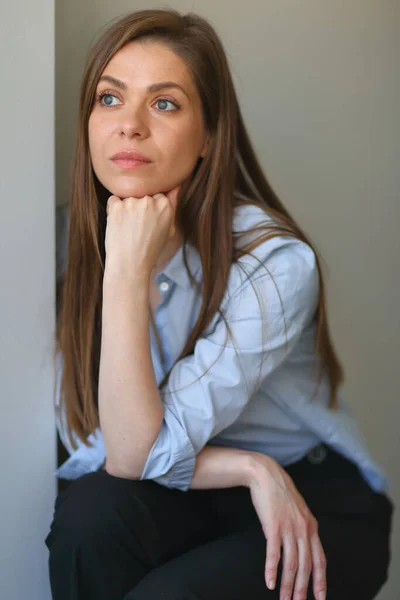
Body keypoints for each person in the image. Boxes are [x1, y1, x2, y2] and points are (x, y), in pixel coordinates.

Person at [45, 8, 394, 600]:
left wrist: (126, 273)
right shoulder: (52, 245)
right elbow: (109, 452)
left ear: (209, 135)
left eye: (164, 103)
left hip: (310, 496)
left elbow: (135, 453)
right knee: (86, 523)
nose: (129, 125)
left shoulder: (273, 262)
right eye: (109, 98)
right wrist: (250, 468)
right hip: (209, 484)